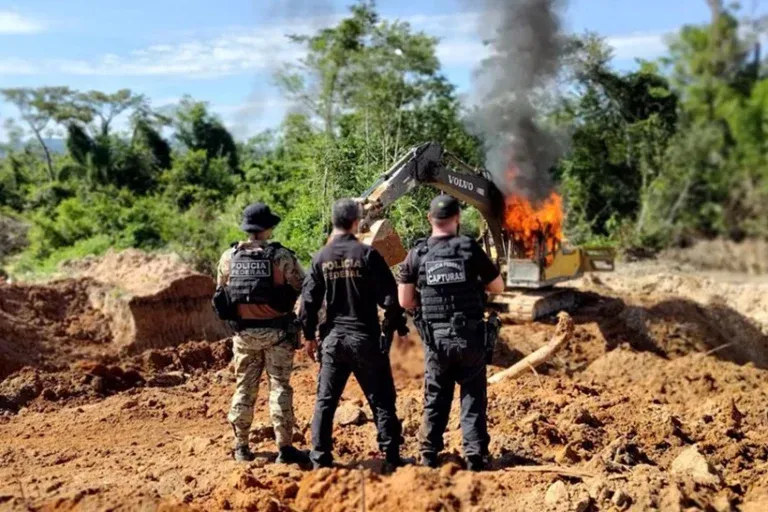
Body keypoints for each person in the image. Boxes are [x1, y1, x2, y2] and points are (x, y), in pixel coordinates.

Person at [398, 194, 505, 472]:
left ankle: (429, 453)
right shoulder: (470, 248)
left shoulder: (417, 254)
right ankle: (474, 455)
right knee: (472, 396)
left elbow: (405, 302)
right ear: (457, 218)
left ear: (429, 219)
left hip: (436, 338)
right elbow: (498, 288)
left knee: (435, 396)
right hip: (470, 336)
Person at [300, 198, 408, 471]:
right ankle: (392, 457)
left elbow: (308, 304)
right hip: (364, 340)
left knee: (325, 401)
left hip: (333, 341)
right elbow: (390, 299)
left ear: (334, 221)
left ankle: (319, 459)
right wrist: (390, 328)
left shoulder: (320, 257)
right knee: (381, 398)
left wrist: (309, 336)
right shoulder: (367, 255)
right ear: (356, 222)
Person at [214, 202, 310, 465]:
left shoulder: (228, 257)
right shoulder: (281, 257)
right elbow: (304, 286)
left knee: (244, 389)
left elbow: (222, 294)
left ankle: (241, 447)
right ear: (268, 228)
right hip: (277, 335)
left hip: (243, 336)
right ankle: (284, 448)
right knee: (279, 388)